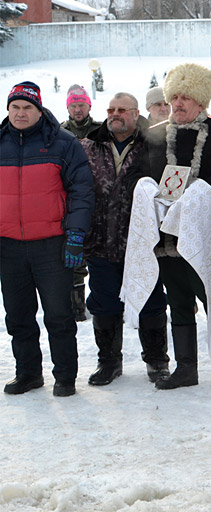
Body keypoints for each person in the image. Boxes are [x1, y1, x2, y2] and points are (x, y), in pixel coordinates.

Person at [126, 62, 211, 394]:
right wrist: (146, 188)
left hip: (206, 237)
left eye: (186, 98)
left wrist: (199, 192)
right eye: (174, 97)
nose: (178, 104)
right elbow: (133, 174)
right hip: (166, 239)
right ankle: (185, 369)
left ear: (201, 101)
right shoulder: (154, 134)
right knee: (179, 304)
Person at [0, 82, 94, 397]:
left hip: (51, 245)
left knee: (59, 314)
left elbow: (82, 191)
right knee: (18, 315)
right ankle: (28, 373)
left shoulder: (63, 143)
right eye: (15, 107)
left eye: (27, 107)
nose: (20, 113)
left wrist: (76, 234)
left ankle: (65, 377)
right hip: (8, 246)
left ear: (39, 111)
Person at [81, 92, 170, 386]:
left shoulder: (155, 143)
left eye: (122, 109)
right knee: (103, 303)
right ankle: (108, 362)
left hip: (144, 241)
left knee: (152, 301)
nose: (115, 114)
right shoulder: (89, 146)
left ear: (135, 113)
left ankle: (157, 361)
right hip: (101, 239)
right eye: (111, 109)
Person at [60, 84, 102, 322]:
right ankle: (77, 307)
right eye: (74, 105)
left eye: (82, 105)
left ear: (89, 106)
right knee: (74, 257)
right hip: (71, 201)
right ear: (68, 107)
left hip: (100, 199)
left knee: (101, 255)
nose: (78, 109)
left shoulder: (100, 130)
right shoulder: (59, 132)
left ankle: (105, 301)